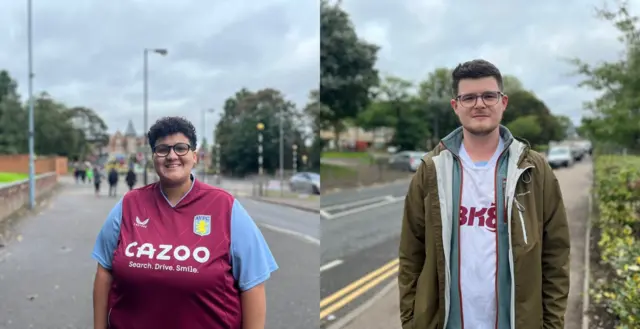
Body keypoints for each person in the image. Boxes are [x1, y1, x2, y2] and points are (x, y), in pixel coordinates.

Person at [398, 59, 570, 329]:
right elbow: (411, 255)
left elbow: (556, 257)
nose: (480, 104)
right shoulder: (431, 170)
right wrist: (411, 321)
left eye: (489, 95)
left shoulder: (534, 170)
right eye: (469, 97)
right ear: (456, 106)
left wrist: (552, 324)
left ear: (503, 102)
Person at [91, 116, 278, 329]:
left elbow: (253, 285)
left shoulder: (225, 207)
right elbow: (104, 270)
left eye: (181, 148)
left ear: (194, 156)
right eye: (162, 149)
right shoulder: (128, 205)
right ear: (153, 157)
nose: (172, 156)